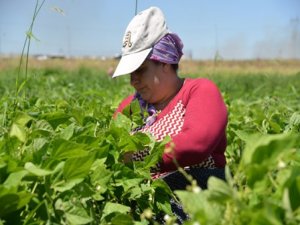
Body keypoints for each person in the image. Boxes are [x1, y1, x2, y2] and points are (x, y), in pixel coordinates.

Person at [112, 6, 228, 223]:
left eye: (140, 69)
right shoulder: (131, 105)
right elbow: (110, 147)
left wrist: (136, 158)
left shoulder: (199, 91)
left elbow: (196, 145)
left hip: (197, 199)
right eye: (131, 72)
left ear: (164, 62)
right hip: (143, 198)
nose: (133, 80)